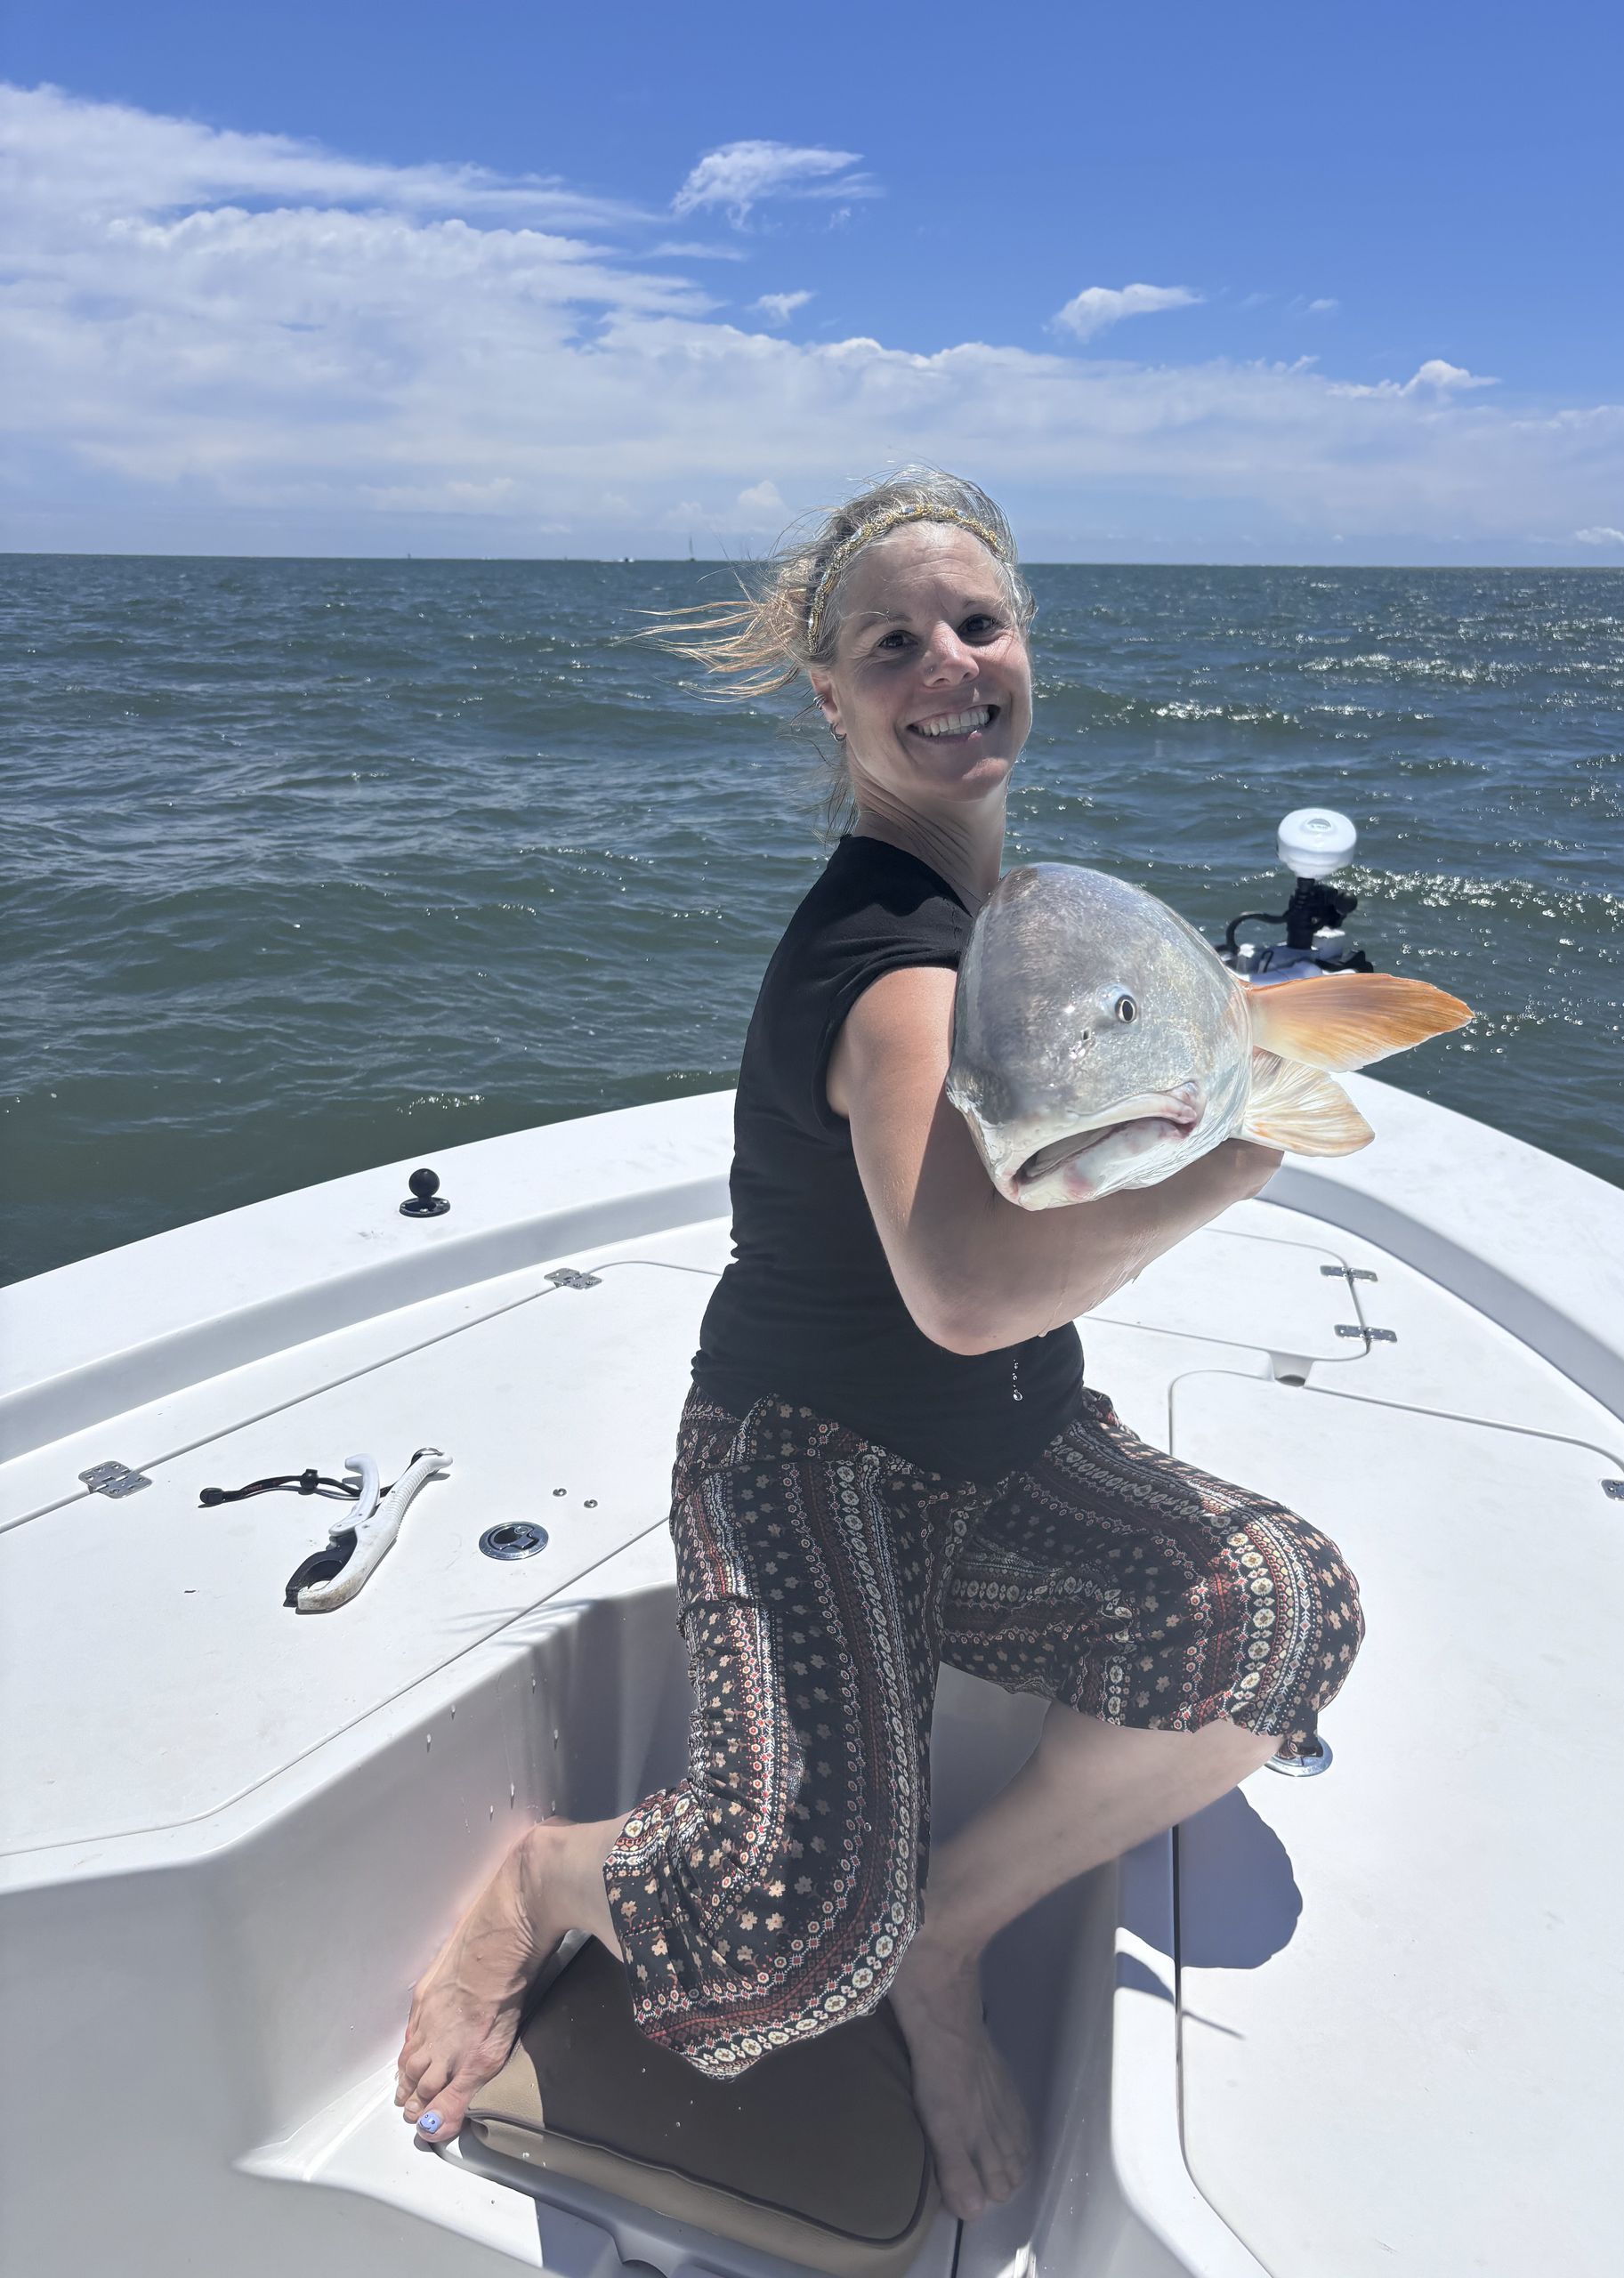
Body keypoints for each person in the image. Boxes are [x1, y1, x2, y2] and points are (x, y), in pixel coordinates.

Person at [393, 469, 1364, 2223]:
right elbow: (975, 1291)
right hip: (804, 1458)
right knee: (787, 1942)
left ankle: (950, 1935)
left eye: (978, 623)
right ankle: (548, 1880)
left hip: (1007, 1451)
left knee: (1287, 1611)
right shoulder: (890, 961)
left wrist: (1221, 1045)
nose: (948, 660)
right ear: (829, 695)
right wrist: (1248, 1145)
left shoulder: (1003, 925)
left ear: (1026, 650)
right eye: (891, 640)